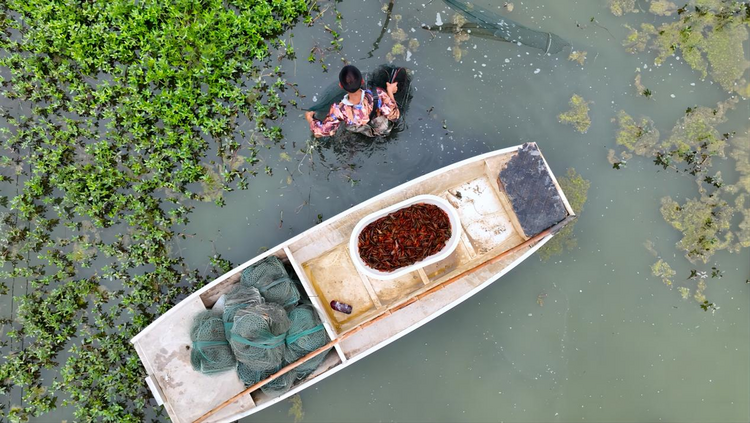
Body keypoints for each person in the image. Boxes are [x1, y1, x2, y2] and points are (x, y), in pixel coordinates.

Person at [305, 65, 400, 138]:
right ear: (362, 81)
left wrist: (309, 118)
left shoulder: (339, 110)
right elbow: (395, 116)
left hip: (360, 131)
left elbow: (319, 133)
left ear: (341, 86)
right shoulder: (378, 94)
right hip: (380, 131)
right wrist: (390, 92)